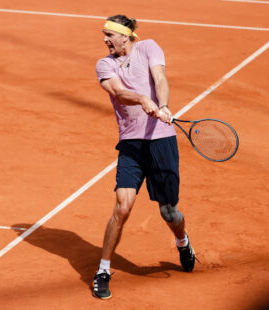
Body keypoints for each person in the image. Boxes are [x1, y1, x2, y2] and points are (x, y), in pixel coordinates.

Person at [92, 15, 196, 300]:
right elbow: (118, 92)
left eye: (108, 35)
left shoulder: (149, 47)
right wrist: (142, 100)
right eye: (104, 35)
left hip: (161, 142)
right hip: (131, 144)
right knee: (122, 208)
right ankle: (102, 270)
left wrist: (162, 105)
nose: (104, 40)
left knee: (169, 212)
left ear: (125, 36)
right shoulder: (106, 64)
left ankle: (182, 241)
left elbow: (160, 78)